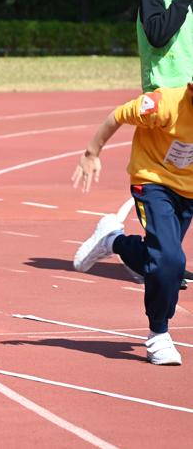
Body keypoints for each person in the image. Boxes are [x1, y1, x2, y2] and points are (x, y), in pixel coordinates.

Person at [71, 84, 193, 365]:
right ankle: (158, 335)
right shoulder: (163, 104)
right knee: (169, 260)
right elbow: (118, 115)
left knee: (164, 264)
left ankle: (112, 240)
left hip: (188, 191)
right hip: (153, 181)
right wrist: (91, 153)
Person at [131, 0, 193, 289]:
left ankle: (162, 259)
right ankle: (151, 255)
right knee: (165, 183)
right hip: (165, 102)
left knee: (188, 186)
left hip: (192, 102)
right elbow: (157, 34)